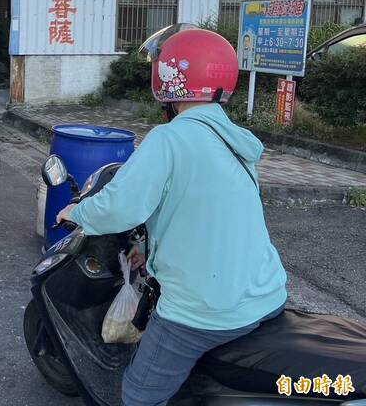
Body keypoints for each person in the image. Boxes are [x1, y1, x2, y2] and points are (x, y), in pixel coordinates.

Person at [56, 25, 287, 406]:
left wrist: (76, 210)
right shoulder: (235, 143)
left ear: (168, 80)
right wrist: (149, 250)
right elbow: (201, 213)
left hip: (205, 309)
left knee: (138, 396)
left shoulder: (169, 139)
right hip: (267, 293)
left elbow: (119, 206)